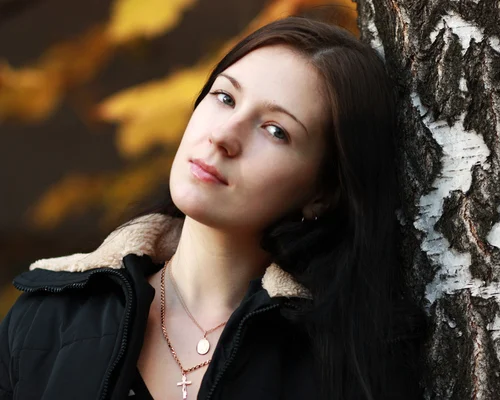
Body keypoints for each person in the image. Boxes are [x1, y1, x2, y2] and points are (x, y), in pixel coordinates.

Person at [0, 16, 424, 400]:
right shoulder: (48, 314)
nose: (224, 135)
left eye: (276, 130)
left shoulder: (350, 367)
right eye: (224, 97)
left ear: (323, 193)